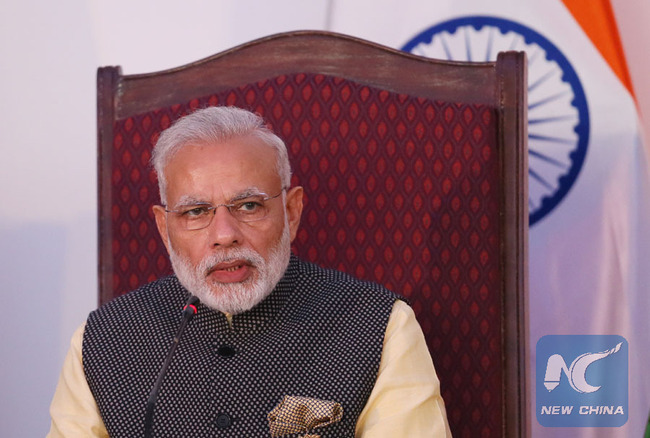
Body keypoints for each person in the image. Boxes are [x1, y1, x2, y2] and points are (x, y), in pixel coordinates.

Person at [48, 106, 451, 437]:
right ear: (164, 228)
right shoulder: (102, 341)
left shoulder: (380, 326)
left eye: (249, 206)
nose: (224, 235)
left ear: (291, 211)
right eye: (195, 212)